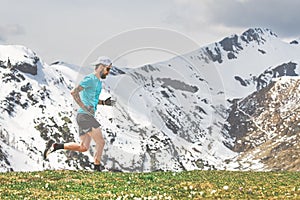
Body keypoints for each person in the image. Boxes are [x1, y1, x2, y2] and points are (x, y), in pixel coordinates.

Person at [43, 56, 115, 171]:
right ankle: (97, 168)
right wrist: (83, 107)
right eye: (108, 69)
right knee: (100, 142)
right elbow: (74, 92)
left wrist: (103, 102)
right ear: (101, 67)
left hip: (86, 116)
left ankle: (56, 146)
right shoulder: (90, 79)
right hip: (85, 116)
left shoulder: (98, 83)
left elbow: (92, 100)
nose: (108, 72)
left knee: (83, 147)